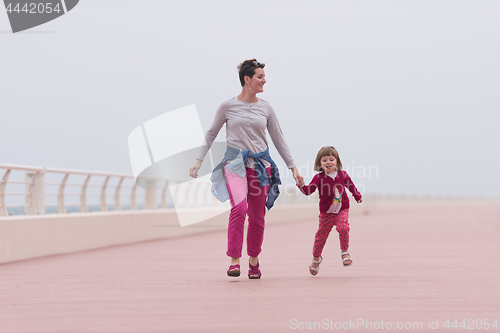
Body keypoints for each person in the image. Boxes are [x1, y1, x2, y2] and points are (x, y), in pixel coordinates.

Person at [189, 59, 303, 279]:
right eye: (260, 77)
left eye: (263, 76)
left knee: (258, 216)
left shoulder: (266, 108)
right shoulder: (227, 106)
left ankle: (253, 260)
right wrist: (199, 160)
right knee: (239, 209)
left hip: (261, 167)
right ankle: (234, 260)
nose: (264, 80)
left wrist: (293, 168)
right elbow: (211, 133)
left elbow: (279, 139)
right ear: (247, 80)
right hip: (235, 165)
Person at [297, 146, 362, 276]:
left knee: (343, 228)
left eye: (331, 159)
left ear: (337, 161)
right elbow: (308, 191)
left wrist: (357, 196)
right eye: (324, 160)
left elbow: (351, 186)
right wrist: (301, 185)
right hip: (326, 213)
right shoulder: (319, 177)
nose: (328, 162)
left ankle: (345, 252)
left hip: (341, 210)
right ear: (320, 164)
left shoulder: (342, 175)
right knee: (320, 237)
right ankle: (316, 259)